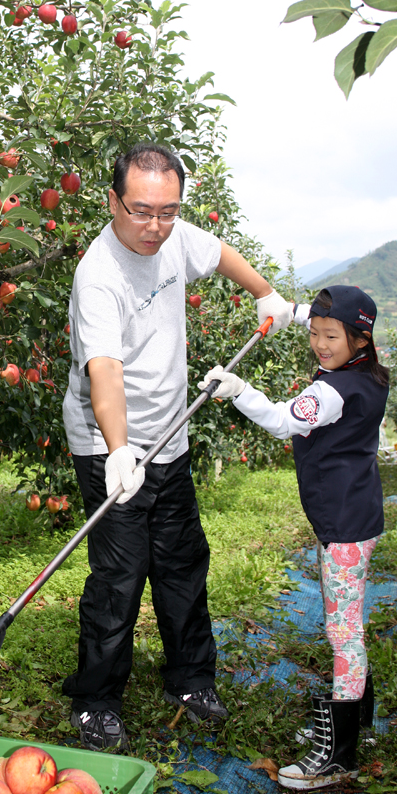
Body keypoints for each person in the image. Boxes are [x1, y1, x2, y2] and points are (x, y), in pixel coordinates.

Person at [61, 142, 295, 752]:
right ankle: (95, 700)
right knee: (119, 574)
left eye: (168, 211)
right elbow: (104, 372)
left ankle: (191, 680)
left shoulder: (173, 236)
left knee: (183, 561)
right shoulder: (99, 276)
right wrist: (118, 452)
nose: (155, 227)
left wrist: (264, 293)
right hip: (108, 445)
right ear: (113, 201)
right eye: (140, 211)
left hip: (171, 436)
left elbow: (217, 253)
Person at [199, 284, 389, 790]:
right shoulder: (365, 371)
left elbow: (284, 421)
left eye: (331, 336)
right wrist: (292, 312)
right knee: (346, 625)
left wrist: (239, 390)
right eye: (315, 334)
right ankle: (359, 728)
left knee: (343, 633)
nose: (320, 344)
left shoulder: (333, 391)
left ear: (359, 339)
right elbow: (329, 321)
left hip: (344, 523)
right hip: (354, 512)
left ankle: (340, 756)